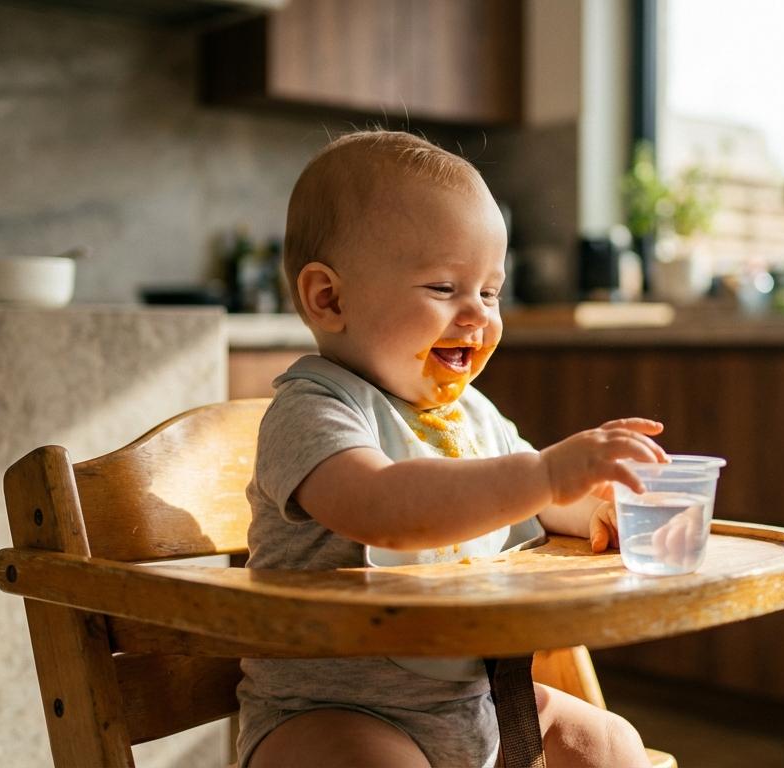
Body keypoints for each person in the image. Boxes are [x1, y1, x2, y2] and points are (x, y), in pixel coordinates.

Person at [238, 130, 664, 768]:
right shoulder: (314, 410)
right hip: (332, 717)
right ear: (329, 298)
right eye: (443, 289)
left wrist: (593, 511)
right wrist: (547, 472)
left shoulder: (470, 416)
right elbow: (382, 507)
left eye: (489, 292)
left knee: (611, 744)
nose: (476, 315)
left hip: (483, 702)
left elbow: (532, 511)